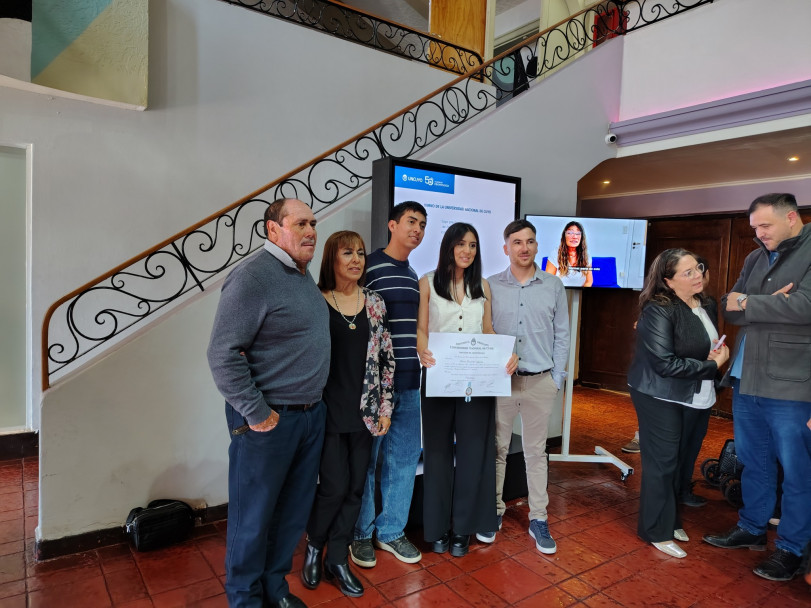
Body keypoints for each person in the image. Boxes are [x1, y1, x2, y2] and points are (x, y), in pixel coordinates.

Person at [207, 198, 329, 608]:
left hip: (310, 417)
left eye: (313, 223)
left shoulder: (301, 275)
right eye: (300, 223)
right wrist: (258, 413)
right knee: (253, 521)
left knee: (290, 516)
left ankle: (274, 589)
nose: (311, 230)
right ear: (273, 230)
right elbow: (222, 355)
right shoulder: (253, 277)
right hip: (269, 422)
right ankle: (245, 600)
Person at [704, 193, 811, 582]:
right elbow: (728, 308)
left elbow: (805, 306)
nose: (759, 234)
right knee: (754, 460)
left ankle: (790, 549)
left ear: (792, 218)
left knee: (798, 471)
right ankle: (751, 528)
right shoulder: (754, 257)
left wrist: (750, 302)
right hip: (746, 377)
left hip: (792, 383)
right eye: (754, 228)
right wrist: (760, 303)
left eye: (765, 226)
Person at [301, 231, 395, 598]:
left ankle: (336, 558)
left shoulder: (375, 303)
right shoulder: (315, 300)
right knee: (333, 488)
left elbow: (387, 359)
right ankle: (314, 546)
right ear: (332, 259)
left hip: (366, 411)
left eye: (360, 253)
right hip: (324, 412)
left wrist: (386, 407)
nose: (356, 259)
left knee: (356, 488)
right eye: (347, 253)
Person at [417, 222, 518, 558]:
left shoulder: (483, 286)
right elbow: (421, 330)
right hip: (437, 376)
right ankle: (436, 528)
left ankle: (463, 528)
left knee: (475, 453)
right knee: (437, 454)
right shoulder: (428, 282)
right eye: (461, 244)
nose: (467, 251)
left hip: (476, 381)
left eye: (473, 245)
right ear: (448, 246)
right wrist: (422, 350)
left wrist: (507, 355)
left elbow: (487, 329)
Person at [627, 248, 729, 559]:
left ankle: (671, 519)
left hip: (696, 394)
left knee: (683, 459)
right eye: (688, 273)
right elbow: (665, 365)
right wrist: (712, 366)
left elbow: (705, 346)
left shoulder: (706, 303)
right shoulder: (658, 310)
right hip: (659, 394)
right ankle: (656, 530)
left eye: (697, 267)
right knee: (663, 462)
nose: (698, 274)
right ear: (669, 281)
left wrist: (712, 362)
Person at [483, 219, 569, 553]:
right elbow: (484, 331)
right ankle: (494, 511)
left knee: (536, 453)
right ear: (506, 248)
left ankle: (538, 518)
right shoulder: (490, 285)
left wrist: (556, 379)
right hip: (502, 384)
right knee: (498, 450)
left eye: (530, 242)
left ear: (536, 246)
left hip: (540, 382)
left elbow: (562, 334)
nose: (523, 248)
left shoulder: (553, 285)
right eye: (516, 242)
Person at [351, 202, 427, 568]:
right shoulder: (370, 267)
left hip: (411, 382)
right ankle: (361, 534)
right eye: (411, 222)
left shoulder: (413, 275)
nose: (417, 229)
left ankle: (391, 531)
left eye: (423, 225)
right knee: (368, 460)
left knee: (404, 459)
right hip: (376, 386)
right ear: (392, 224)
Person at [545, 220, 593, 287]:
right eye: (570, 233)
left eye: (578, 233)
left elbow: (589, 281)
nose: (574, 236)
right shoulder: (555, 254)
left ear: (581, 237)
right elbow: (548, 281)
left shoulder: (586, 256)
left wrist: (581, 294)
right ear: (564, 236)